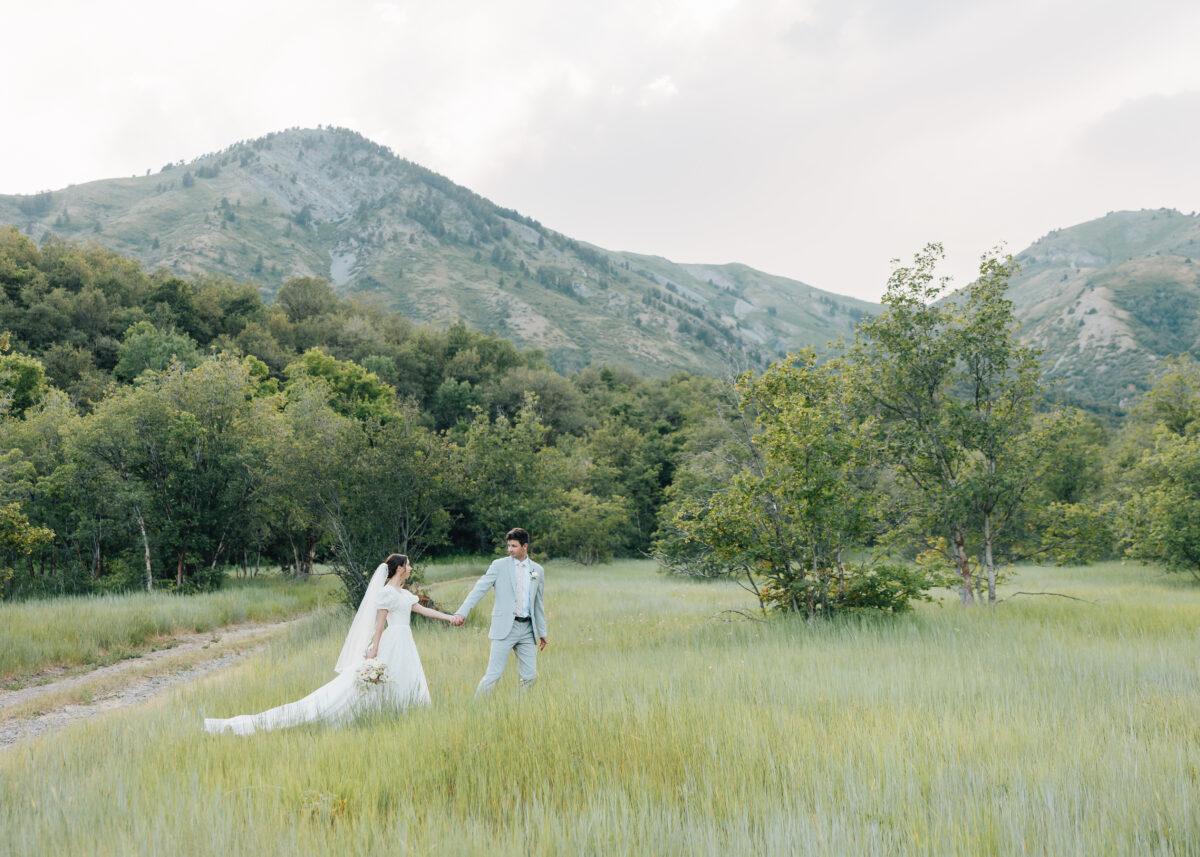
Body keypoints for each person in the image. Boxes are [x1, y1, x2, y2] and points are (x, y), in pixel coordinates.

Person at [204, 554, 457, 735]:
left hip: (406, 642)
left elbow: (424, 611)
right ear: (400, 568)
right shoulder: (387, 593)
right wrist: (374, 650)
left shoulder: (404, 594)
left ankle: (403, 717)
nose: (411, 568)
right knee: (377, 683)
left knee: (406, 678)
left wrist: (450, 618)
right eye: (408, 565)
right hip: (392, 640)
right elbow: (380, 624)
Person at [451, 528, 548, 697]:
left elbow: (538, 603)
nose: (509, 549)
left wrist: (543, 632)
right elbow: (479, 590)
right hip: (504, 628)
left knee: (530, 676)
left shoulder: (536, 570)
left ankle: (519, 710)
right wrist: (462, 613)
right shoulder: (499, 565)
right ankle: (477, 710)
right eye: (508, 545)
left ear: (525, 546)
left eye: (514, 546)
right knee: (493, 675)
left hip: (527, 630)